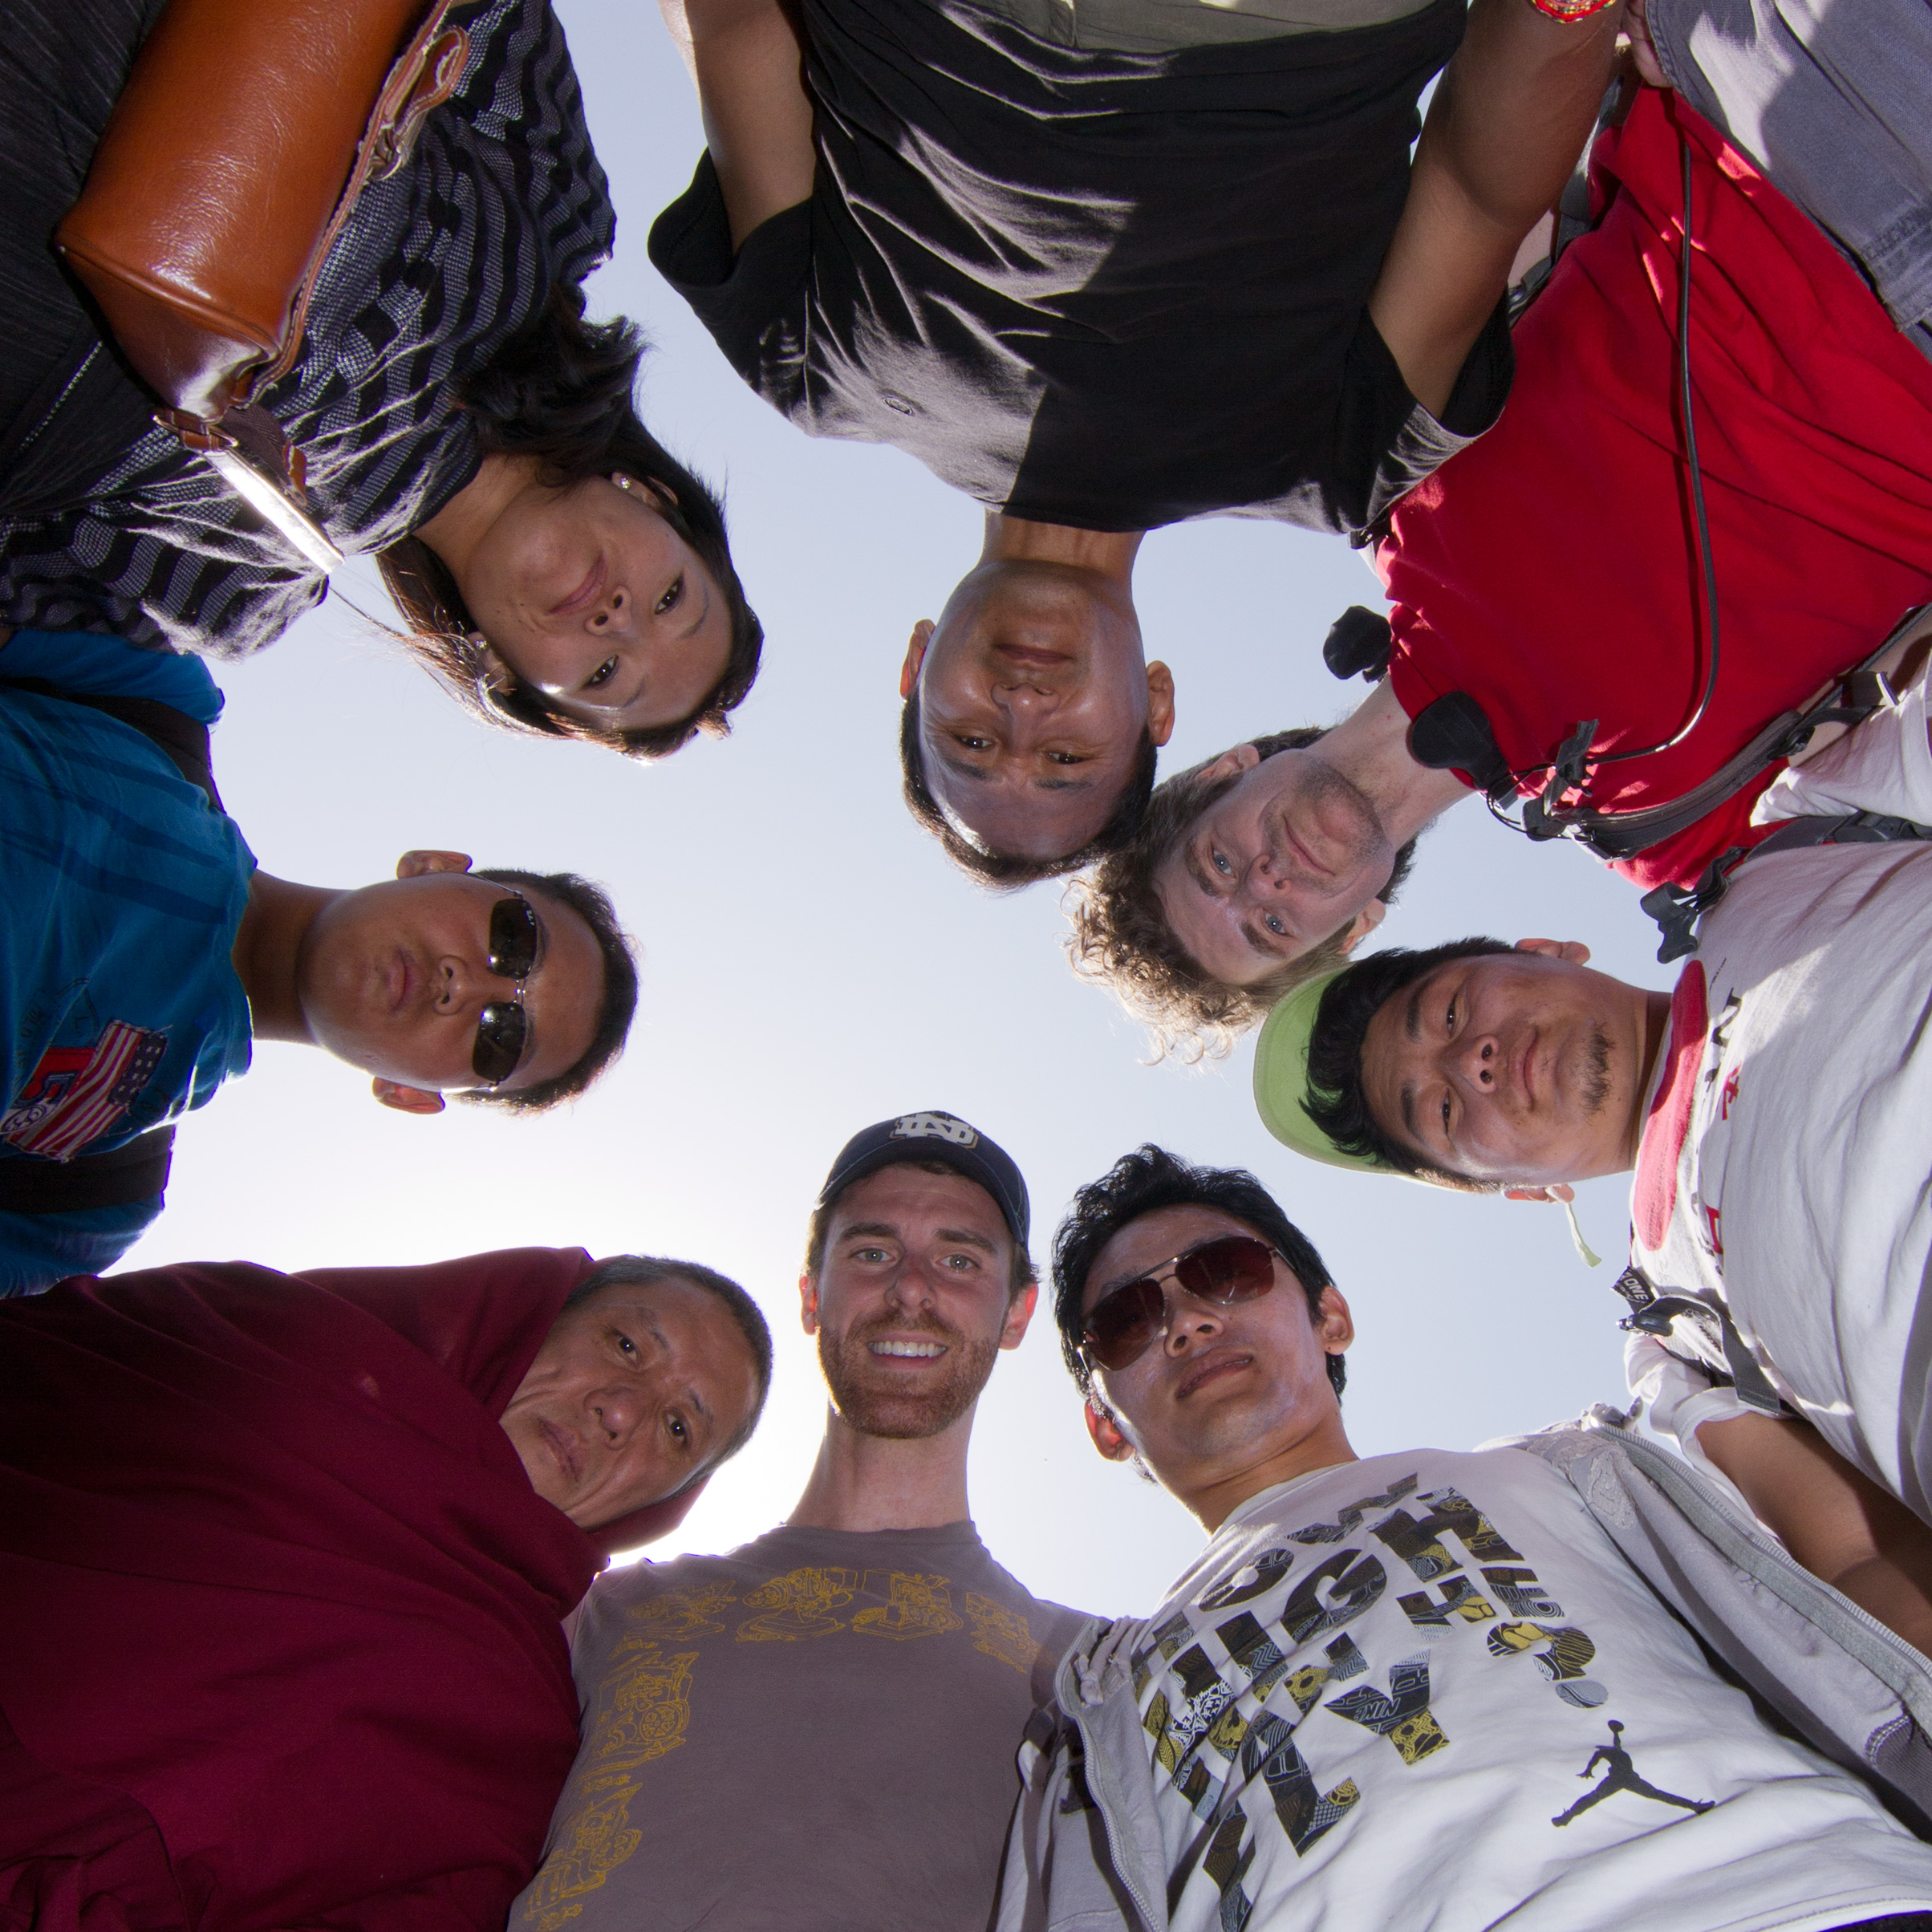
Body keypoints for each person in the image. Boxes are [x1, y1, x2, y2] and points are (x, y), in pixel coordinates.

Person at [648, 0, 1628, 879]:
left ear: (915, 665)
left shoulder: (813, 368)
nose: (1021, 706)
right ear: (1155, 705)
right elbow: (1474, 191)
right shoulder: (1334, 459)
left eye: (970, 741)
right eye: (1065, 756)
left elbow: (734, 27)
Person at [1066, 73, 1932, 1055]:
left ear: (1227, 771)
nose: (1266, 880)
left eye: (1217, 863)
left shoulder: (1383, 480)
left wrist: (1605, 44)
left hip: (1801, 127)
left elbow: (1493, 191)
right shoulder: (1665, 832)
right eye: (1270, 927)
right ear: (1353, 932)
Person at [1000, 1143, 1932, 1932]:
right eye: (1125, 1318)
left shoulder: (1566, 1466)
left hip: (1804, 1896)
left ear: (1330, 1316)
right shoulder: (1097, 1705)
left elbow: (1858, 1588)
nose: (1186, 1320)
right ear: (1104, 1423)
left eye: (1226, 1270)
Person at [0, 0, 761, 756]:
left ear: (501, 674)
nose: (619, 620)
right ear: (656, 500)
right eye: (672, 598)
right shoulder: (552, 219)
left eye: (604, 675)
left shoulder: (228, 593)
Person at [0, 1244, 773, 1931]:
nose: (623, 1411)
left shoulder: (509, 1734)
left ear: (662, 1506)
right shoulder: (247, 1336)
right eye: (626, 1344)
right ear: (533, 1313)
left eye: (679, 1429)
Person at [1255, 761, 1932, 1528]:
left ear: (1544, 950)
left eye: (1448, 1014)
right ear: (1515, 1189)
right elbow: (1862, 1555)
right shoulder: (1681, 1353)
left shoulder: (1784, 850)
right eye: (1440, 1110)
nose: (1470, 1061)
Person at [514, 1110, 1087, 1932]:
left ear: (1016, 1315)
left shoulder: (1083, 1671)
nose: (911, 1287)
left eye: (959, 1259)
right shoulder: (608, 1613)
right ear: (812, 1296)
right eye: (871, 1252)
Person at [0, 627, 638, 1293]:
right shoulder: (154, 692)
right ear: (436, 865)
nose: (468, 987)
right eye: (513, 940)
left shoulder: (84, 1204)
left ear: (409, 1094)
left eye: (500, 1038)